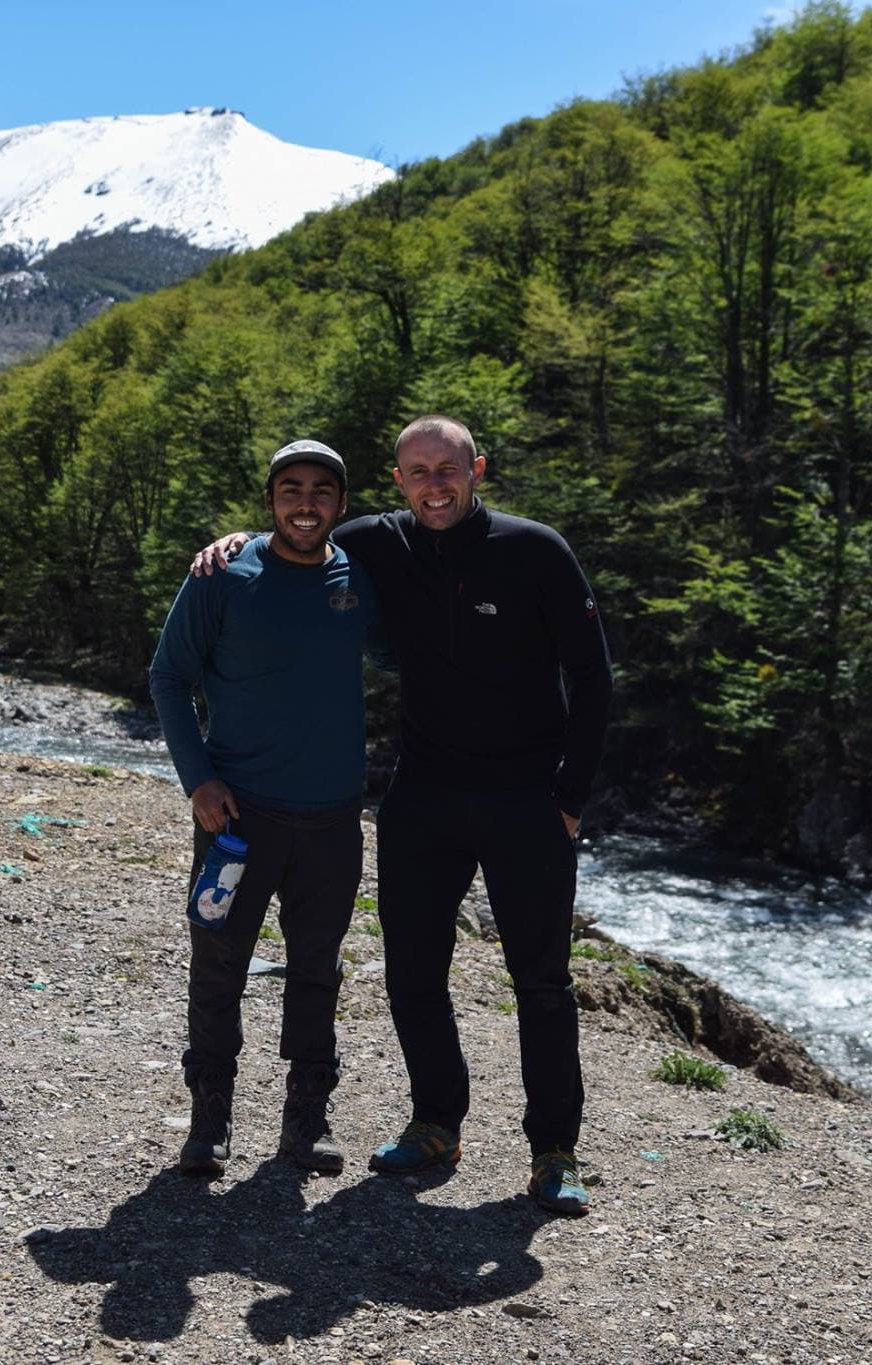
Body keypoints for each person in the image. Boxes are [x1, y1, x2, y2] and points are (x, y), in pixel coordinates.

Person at [193, 414, 612, 1216]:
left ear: (477, 468)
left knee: (543, 981)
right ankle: (435, 1121)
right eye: (417, 472)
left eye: (447, 469)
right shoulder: (379, 544)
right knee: (415, 972)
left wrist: (570, 795)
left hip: (527, 797)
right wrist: (238, 539)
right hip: (422, 793)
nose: (434, 485)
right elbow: (298, 530)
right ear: (397, 483)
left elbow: (592, 677)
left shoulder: (535, 549)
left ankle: (555, 1148)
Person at [149, 439, 386, 1177]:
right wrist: (199, 779)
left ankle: (306, 1120)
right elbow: (168, 677)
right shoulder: (223, 575)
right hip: (236, 819)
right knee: (218, 964)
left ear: (341, 505)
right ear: (270, 500)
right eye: (291, 488)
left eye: (321, 489)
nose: (306, 501)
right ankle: (209, 1117)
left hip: (332, 820)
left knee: (318, 968)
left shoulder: (362, 577)